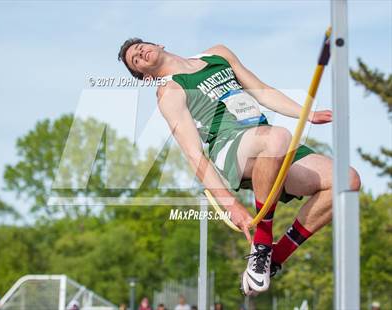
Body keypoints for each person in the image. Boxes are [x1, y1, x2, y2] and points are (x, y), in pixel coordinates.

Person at [118, 39, 361, 295]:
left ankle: (276, 256)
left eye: (141, 47)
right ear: (146, 77)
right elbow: (193, 154)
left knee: (347, 181)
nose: (141, 53)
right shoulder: (170, 92)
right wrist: (230, 204)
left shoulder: (217, 55)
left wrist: (307, 114)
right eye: (136, 60)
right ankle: (262, 242)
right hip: (231, 147)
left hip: (268, 142)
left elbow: (261, 91)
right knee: (277, 137)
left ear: (158, 44)